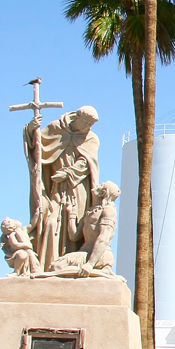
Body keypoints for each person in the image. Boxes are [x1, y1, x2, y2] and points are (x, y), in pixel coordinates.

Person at [25, 106, 100, 270]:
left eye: (91, 125)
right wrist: (32, 129)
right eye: (86, 122)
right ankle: (47, 267)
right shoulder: (55, 128)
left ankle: (71, 266)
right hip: (56, 188)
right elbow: (37, 146)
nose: (87, 127)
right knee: (51, 222)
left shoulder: (91, 139)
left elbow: (88, 163)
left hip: (79, 188)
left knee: (75, 229)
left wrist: (68, 173)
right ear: (77, 117)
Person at [49, 181, 120, 277]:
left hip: (100, 256)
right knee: (56, 266)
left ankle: (102, 270)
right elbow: (74, 236)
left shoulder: (109, 211)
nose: (98, 185)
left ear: (105, 192)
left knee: (57, 266)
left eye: (102, 185)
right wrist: (71, 214)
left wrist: (90, 264)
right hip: (85, 253)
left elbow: (104, 239)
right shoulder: (90, 211)